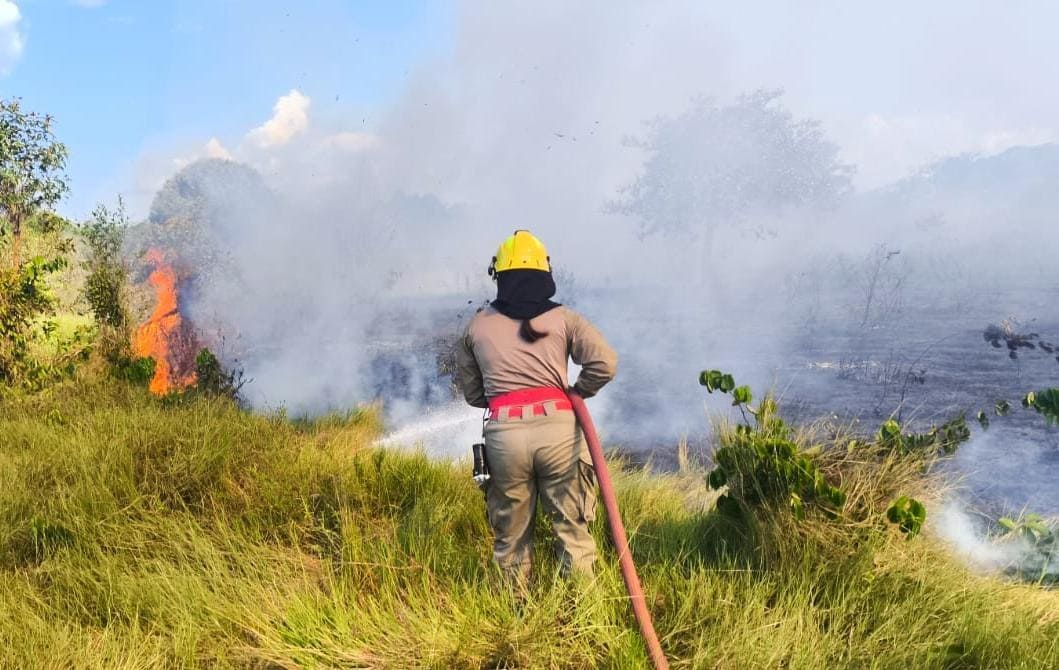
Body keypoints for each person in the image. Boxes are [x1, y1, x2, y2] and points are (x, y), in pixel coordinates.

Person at [456, 230, 618, 582]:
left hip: (504, 438)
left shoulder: (476, 327)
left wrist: (505, 400)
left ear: (498, 275)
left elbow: (473, 395)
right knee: (573, 533)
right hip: (560, 433)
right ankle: (585, 620)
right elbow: (605, 363)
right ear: (546, 273)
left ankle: (515, 618)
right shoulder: (566, 319)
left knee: (510, 539)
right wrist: (576, 392)